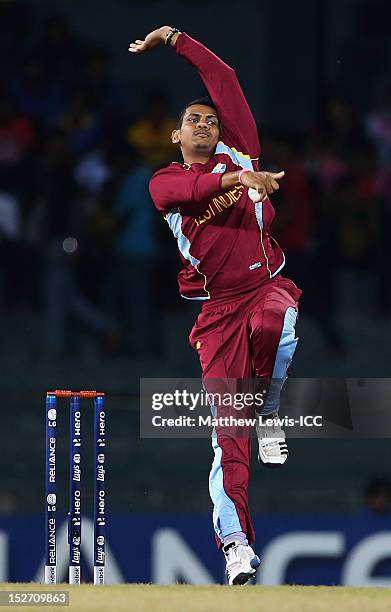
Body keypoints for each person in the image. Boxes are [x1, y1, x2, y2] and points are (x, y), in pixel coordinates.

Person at [129, 26, 302, 585]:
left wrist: (176, 39)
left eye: (210, 119)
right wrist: (238, 177)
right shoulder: (165, 183)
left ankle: (271, 406)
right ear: (177, 135)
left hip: (265, 285)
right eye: (193, 120)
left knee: (278, 320)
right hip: (218, 313)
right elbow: (193, 194)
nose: (204, 124)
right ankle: (236, 546)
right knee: (228, 436)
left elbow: (222, 78)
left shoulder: (242, 146)